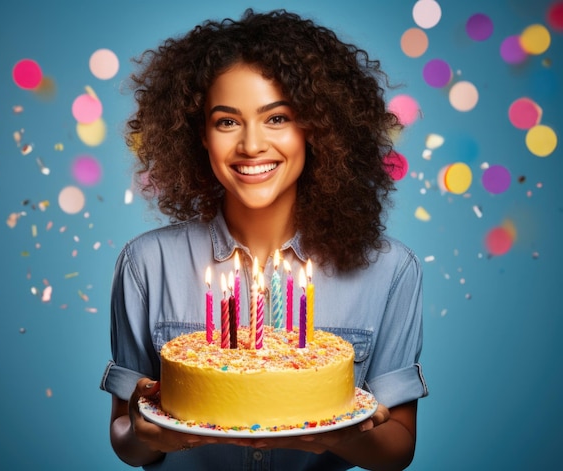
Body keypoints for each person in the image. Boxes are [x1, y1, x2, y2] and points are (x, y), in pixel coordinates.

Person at [100, 8, 428, 471]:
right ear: (200, 136)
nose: (252, 145)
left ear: (316, 127)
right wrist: (147, 432)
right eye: (227, 122)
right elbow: (126, 440)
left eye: (276, 118)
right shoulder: (145, 263)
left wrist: (331, 436)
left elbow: (398, 448)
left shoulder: (391, 270)